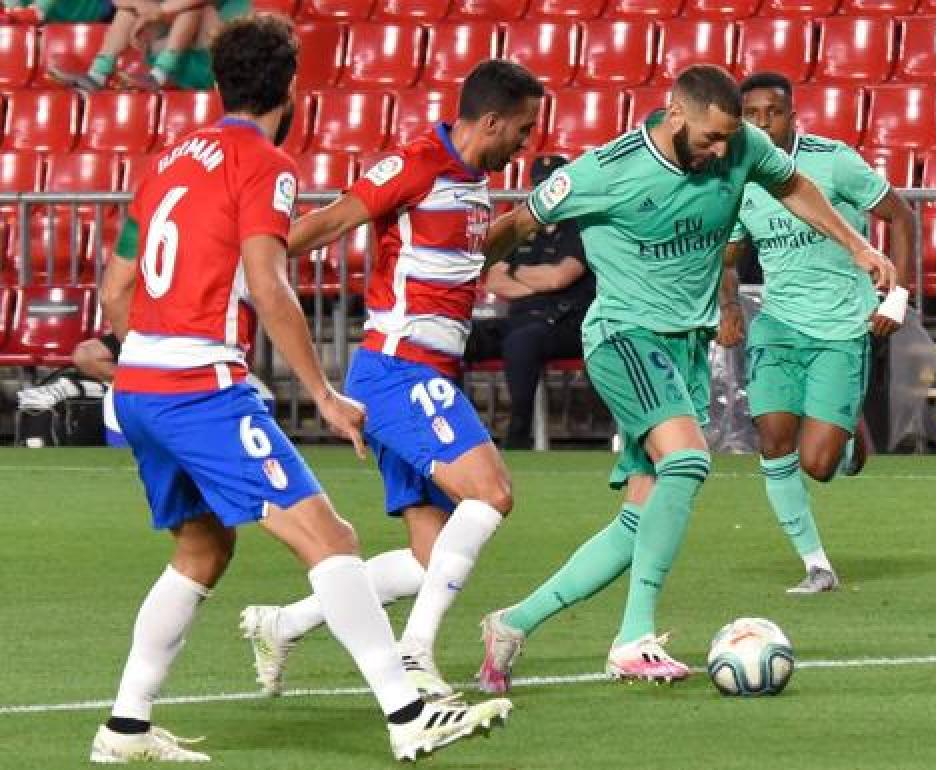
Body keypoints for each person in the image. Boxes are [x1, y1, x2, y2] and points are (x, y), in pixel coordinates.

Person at [88, 16, 509, 763]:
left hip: (142, 383)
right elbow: (267, 280)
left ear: (218, 84)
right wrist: (318, 390)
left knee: (202, 551)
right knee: (330, 539)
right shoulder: (263, 160)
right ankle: (408, 713)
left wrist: (148, 358)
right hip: (198, 386)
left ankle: (124, 726)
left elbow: (117, 286)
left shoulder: (163, 161)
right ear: (291, 89)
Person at [475, 64, 896, 693]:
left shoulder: (740, 146)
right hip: (624, 337)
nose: (724, 151)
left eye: (730, 140)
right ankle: (632, 638)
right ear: (675, 114)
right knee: (690, 461)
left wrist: (857, 247)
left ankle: (513, 622)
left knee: (638, 521)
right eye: (711, 139)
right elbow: (516, 227)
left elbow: (795, 185)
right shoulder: (604, 172)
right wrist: (447, 281)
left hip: (684, 350)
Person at [236, 59, 544, 700]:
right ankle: (413, 654)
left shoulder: (474, 184)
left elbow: (465, 261)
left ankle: (284, 623)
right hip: (399, 370)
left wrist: (523, 225)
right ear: (490, 120)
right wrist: (244, 259)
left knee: (431, 561)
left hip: (428, 375)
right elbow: (329, 223)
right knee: (492, 492)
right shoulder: (415, 162)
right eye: (522, 128)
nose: (527, 143)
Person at [720, 72, 916, 594]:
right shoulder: (741, 175)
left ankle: (852, 446)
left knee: (820, 464)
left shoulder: (833, 161)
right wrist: (727, 304)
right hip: (778, 326)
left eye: (773, 113)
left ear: (793, 114)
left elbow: (900, 216)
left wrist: (895, 297)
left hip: (840, 327)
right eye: (751, 114)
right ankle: (816, 565)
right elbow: (729, 250)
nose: (762, 123)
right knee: (773, 440)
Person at [483, 154, 594, 449]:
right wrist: (538, 284)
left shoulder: (581, 227)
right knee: (461, 337)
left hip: (564, 324)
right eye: (541, 186)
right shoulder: (521, 226)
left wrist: (516, 272)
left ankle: (518, 433)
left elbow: (561, 277)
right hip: (519, 317)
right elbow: (493, 279)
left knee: (523, 341)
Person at [49, 0, 250, 91]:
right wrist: (142, 6)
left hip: (211, 61)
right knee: (128, 10)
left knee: (193, 8)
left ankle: (159, 75)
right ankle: (97, 75)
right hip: (173, 49)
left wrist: (160, 11)